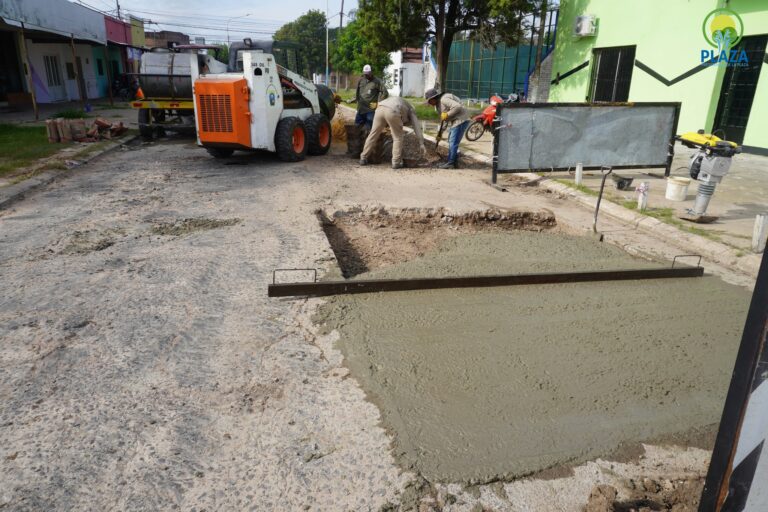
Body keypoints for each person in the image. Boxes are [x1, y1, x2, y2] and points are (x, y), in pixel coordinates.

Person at [360, 96, 426, 169]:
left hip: (379, 109)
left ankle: (363, 158)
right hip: (393, 110)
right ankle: (396, 162)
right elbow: (416, 126)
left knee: (373, 135)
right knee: (398, 138)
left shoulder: (402, 103)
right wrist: (421, 143)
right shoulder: (411, 110)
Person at [425, 87, 470, 169]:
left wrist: (448, 114)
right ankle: (454, 161)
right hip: (456, 120)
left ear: (433, 98)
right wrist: (440, 134)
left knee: (453, 141)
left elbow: (458, 106)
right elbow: (444, 120)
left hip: (461, 118)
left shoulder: (444, 99)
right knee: (451, 140)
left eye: (429, 101)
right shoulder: (438, 106)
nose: (429, 103)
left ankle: (451, 163)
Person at [349, 64, 388, 131]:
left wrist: (378, 103)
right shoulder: (361, 80)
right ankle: (358, 137)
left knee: (367, 128)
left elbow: (385, 93)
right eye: (365, 74)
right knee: (356, 127)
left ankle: (367, 137)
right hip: (360, 109)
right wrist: (351, 100)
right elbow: (357, 93)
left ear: (371, 72)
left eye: (368, 74)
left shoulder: (377, 81)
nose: (366, 75)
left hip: (370, 110)